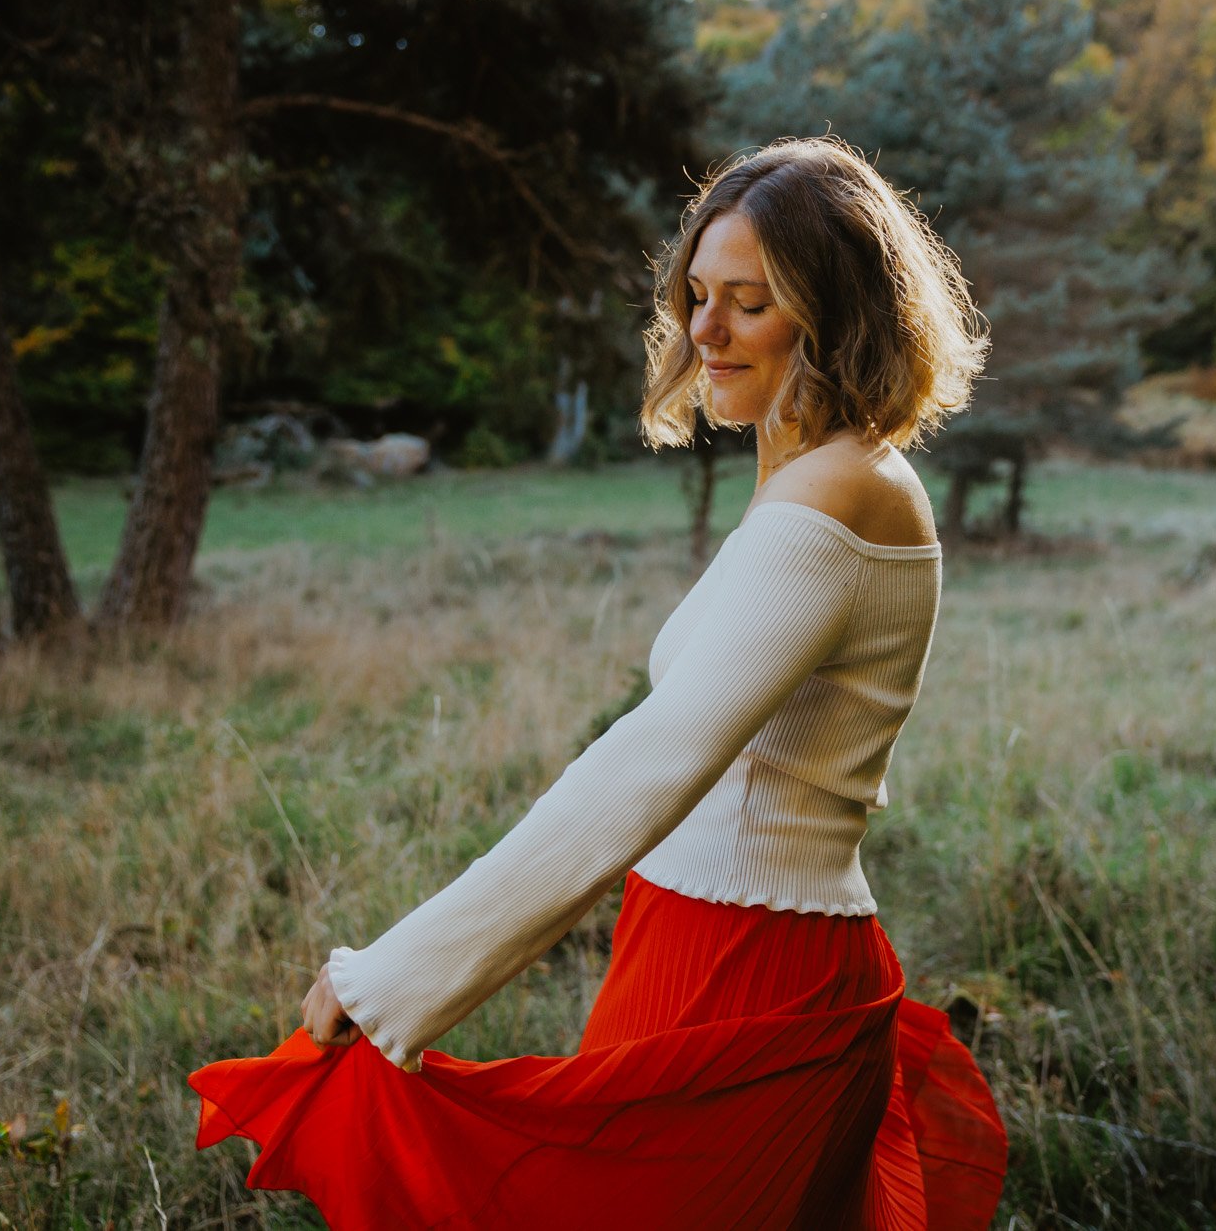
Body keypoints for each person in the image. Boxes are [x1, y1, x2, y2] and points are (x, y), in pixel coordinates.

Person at [189, 136, 1008, 1229]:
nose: (702, 333)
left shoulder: (837, 496)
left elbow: (651, 759)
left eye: (748, 304)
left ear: (837, 316)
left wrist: (394, 979)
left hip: (748, 968)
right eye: (696, 297)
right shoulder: (825, 476)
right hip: (696, 935)